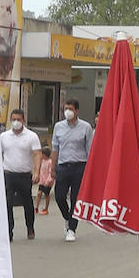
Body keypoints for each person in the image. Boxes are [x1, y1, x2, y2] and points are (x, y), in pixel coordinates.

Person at [52, 98, 93, 242]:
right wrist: (53, 167)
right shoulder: (58, 127)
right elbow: (55, 148)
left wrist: (89, 171)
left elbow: (90, 150)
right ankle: (67, 217)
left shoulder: (86, 127)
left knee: (76, 199)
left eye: (70, 109)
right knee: (59, 196)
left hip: (80, 166)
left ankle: (71, 229)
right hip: (63, 166)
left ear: (76, 111)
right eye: (65, 109)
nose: (67, 111)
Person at [0, 107, 40, 242]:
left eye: (18, 119)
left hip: (24, 175)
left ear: (23, 120)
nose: (16, 122)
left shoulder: (31, 136)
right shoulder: (4, 136)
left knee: (27, 203)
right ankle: (9, 231)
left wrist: (37, 171)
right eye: (14, 119)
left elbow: (37, 154)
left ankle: (30, 227)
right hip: (9, 174)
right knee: (7, 203)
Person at [35, 146, 54, 217]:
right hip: (42, 181)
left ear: (45, 154)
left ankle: (46, 208)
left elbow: (50, 172)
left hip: (48, 182)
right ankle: (36, 207)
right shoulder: (42, 161)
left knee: (46, 194)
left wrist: (48, 181)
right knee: (39, 193)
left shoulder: (50, 162)